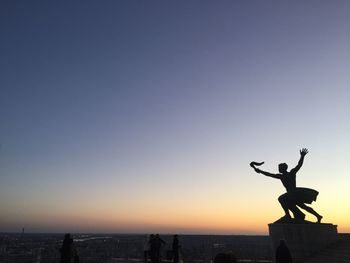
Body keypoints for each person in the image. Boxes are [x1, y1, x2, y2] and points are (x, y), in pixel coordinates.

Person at [251, 148, 322, 222]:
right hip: (291, 194)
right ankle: (318, 216)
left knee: (281, 199)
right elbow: (269, 174)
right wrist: (260, 171)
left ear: (283, 168)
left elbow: (299, 165)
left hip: (293, 193)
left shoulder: (291, 173)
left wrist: (302, 156)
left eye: (279, 168)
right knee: (303, 206)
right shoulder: (281, 176)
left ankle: (287, 215)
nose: (278, 169)